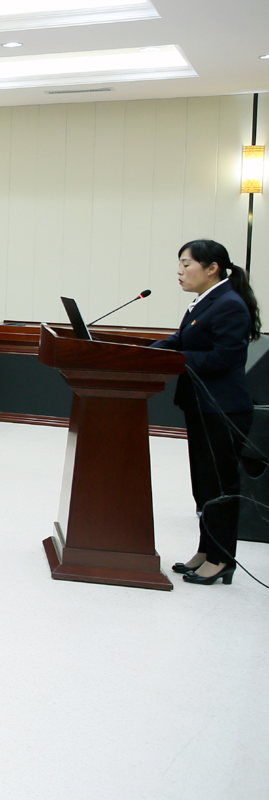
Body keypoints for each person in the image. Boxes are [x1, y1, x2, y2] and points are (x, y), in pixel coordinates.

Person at [152, 239, 259, 586]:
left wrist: (172, 359)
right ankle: (206, 549)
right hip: (201, 405)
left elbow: (224, 357)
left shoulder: (230, 304)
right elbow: (180, 341)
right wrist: (145, 353)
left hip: (222, 409)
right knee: (204, 485)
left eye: (186, 264)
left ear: (212, 268)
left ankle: (222, 558)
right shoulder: (205, 301)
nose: (180, 272)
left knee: (220, 485)